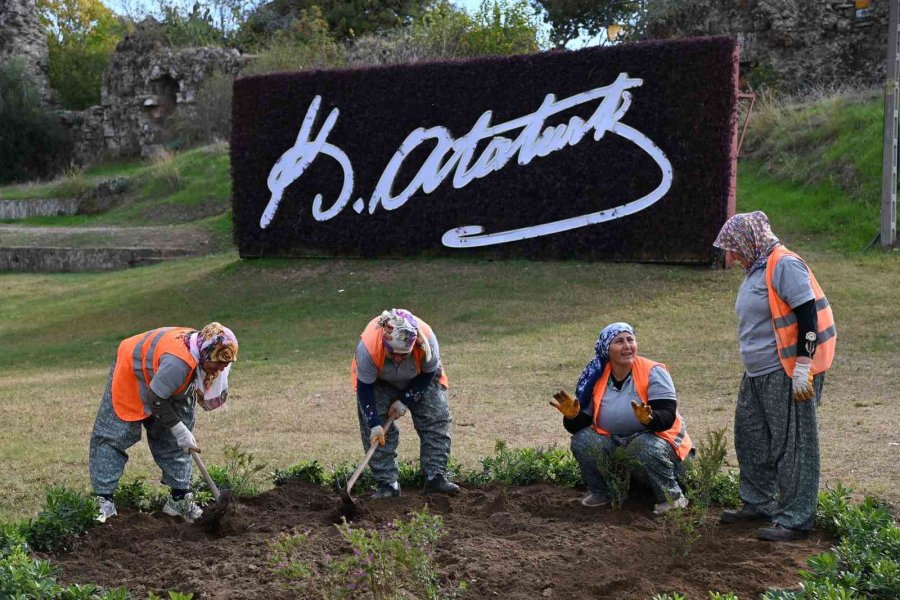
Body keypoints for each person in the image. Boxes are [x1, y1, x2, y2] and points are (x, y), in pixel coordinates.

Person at [713, 211, 835, 542]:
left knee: (793, 444)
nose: (732, 255)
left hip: (785, 372)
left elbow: (808, 315)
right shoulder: (757, 267)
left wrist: (803, 366)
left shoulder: (784, 264)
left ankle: (796, 519)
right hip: (756, 374)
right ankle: (758, 503)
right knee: (750, 438)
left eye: (734, 247)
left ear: (749, 241)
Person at [89, 322, 239, 524]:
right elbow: (157, 399)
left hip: (167, 370)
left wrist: (179, 431)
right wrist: (179, 430)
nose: (222, 368)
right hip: (133, 370)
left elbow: (169, 406)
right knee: (115, 434)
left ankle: (179, 499)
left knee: (177, 435)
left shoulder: (202, 354)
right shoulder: (179, 363)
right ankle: (103, 500)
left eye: (226, 363)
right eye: (219, 362)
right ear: (206, 354)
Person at [551, 322, 693, 514]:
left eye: (630, 340)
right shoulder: (598, 375)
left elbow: (666, 416)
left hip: (665, 453)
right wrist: (572, 417)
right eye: (619, 341)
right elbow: (581, 424)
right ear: (606, 349)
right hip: (620, 447)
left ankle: (672, 498)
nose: (627, 345)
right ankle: (605, 494)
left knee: (643, 445)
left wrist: (649, 420)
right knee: (582, 440)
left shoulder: (654, 371)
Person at [351, 308, 458, 498]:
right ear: (385, 343)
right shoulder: (368, 348)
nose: (398, 358)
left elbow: (428, 374)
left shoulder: (427, 343)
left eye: (404, 354)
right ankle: (388, 484)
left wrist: (406, 399)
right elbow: (365, 388)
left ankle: (435, 476)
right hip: (377, 382)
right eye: (393, 354)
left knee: (435, 419)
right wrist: (374, 423)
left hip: (420, 376)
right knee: (376, 430)